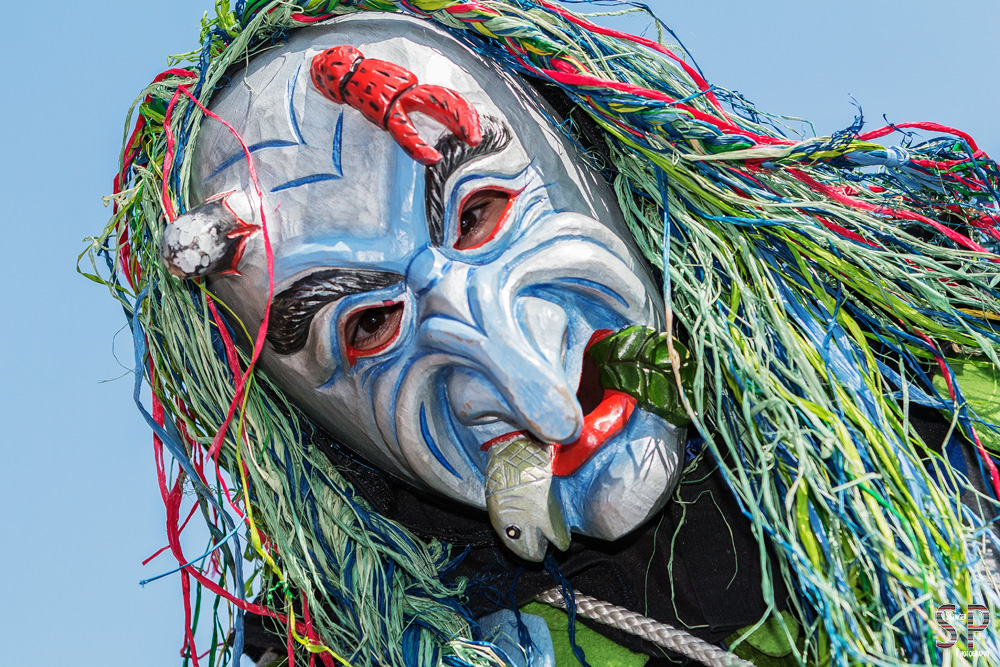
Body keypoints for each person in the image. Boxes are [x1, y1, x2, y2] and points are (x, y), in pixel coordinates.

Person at [93, 1, 1000, 666]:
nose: (539, 394)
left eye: (480, 212)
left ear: (592, 150)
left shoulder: (954, 362)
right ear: (316, 435)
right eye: (369, 324)